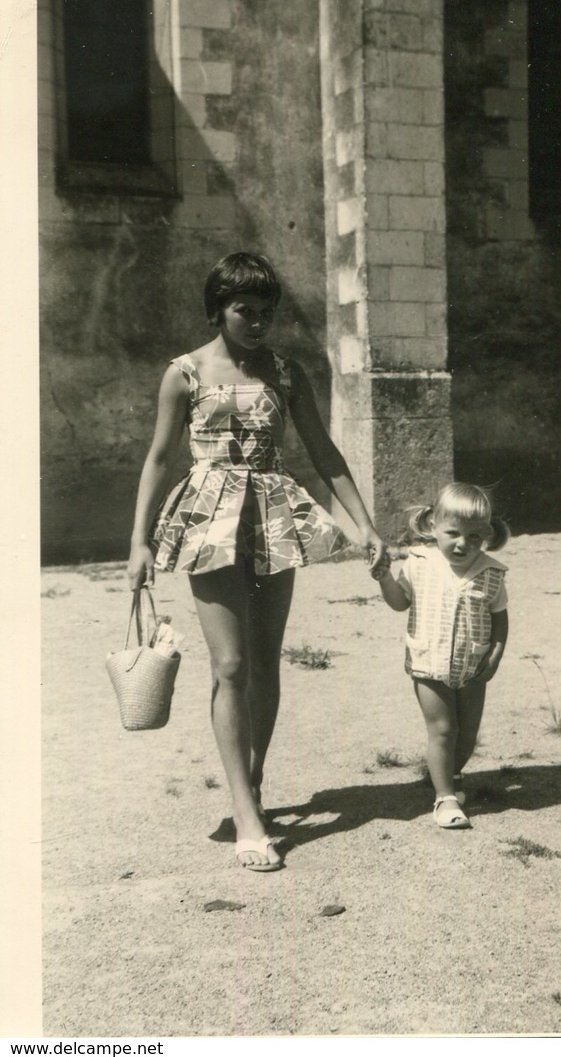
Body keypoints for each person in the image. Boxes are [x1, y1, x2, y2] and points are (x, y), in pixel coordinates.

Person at [127, 252, 385, 871]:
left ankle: (253, 781)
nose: (258, 322)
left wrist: (365, 526)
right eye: (246, 310)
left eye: (267, 312)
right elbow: (160, 459)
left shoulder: (286, 373)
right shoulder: (184, 374)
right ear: (219, 308)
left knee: (265, 662)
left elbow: (324, 452)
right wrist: (138, 542)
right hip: (207, 515)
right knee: (232, 664)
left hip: (271, 514)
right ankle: (246, 819)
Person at [373, 482, 509, 830]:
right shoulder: (420, 563)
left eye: (475, 537)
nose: (463, 544)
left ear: (486, 536)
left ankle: (451, 773)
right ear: (433, 525)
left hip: (474, 664)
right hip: (428, 664)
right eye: (453, 533)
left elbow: (499, 616)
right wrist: (384, 577)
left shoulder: (491, 572)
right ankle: (444, 798)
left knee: (467, 736)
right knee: (444, 730)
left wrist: (495, 654)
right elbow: (399, 602)